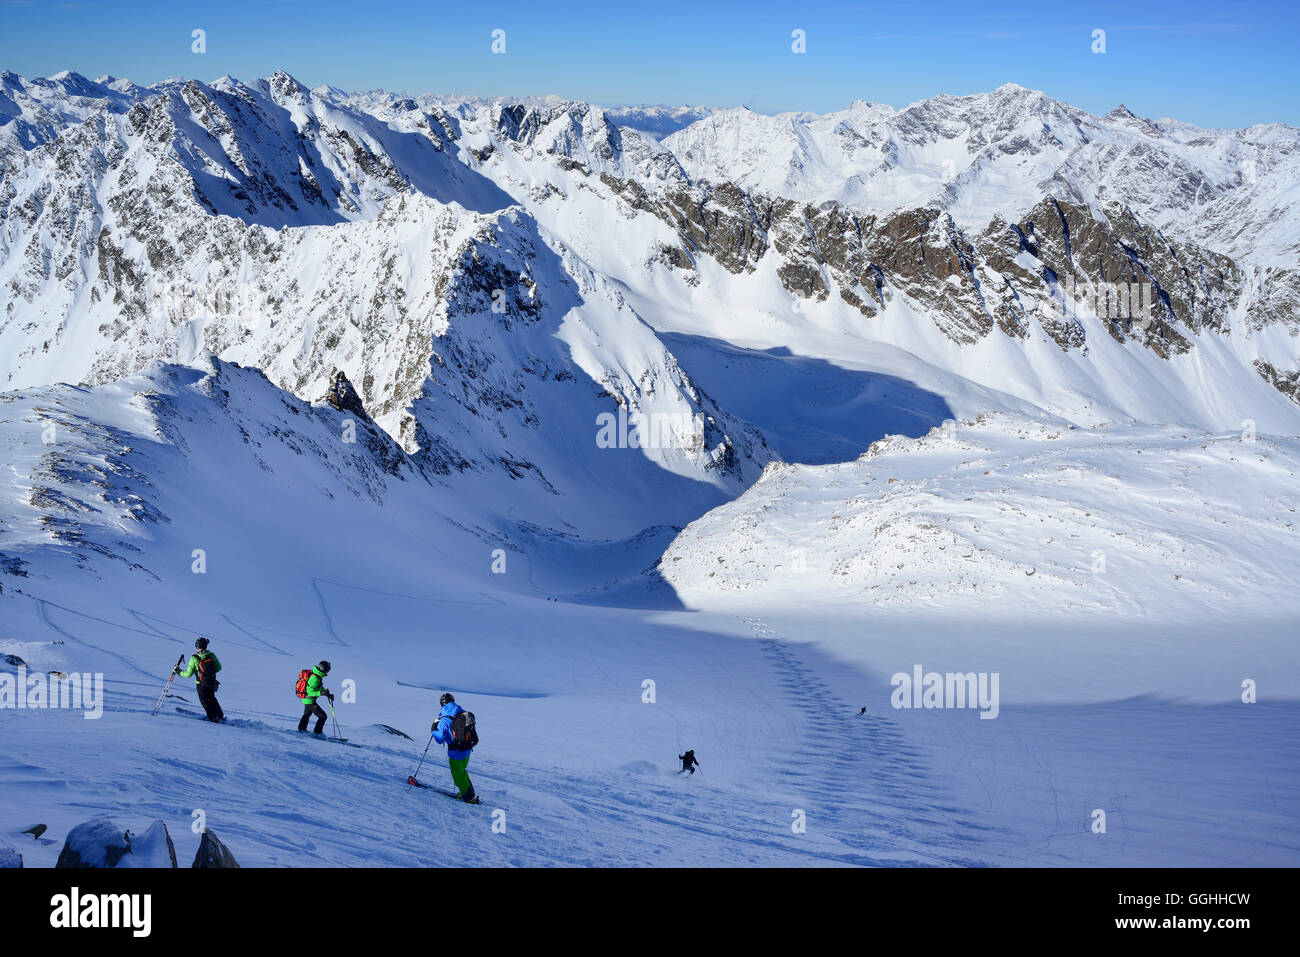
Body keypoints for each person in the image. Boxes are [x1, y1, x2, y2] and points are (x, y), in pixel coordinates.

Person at [431, 693, 479, 804]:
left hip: (455, 751)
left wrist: (433, 728)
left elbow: (439, 739)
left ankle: (469, 797)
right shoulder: (462, 712)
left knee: (458, 774)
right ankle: (467, 792)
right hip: (467, 748)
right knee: (462, 772)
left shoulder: (444, 719)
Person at [176, 637, 223, 722]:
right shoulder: (211, 655)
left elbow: (188, 674)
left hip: (200, 684)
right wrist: (210, 673)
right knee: (212, 698)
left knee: (205, 701)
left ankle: (212, 718)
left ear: (197, 646)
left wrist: (178, 671)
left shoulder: (194, 658)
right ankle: (220, 716)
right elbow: (219, 668)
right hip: (211, 682)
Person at [297, 661, 334, 734]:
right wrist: (321, 693)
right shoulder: (315, 678)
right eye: (327, 670)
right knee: (323, 716)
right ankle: (317, 733)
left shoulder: (317, 676)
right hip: (309, 700)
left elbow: (319, 687)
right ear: (323, 669)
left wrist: (327, 694)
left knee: (307, 715)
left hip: (308, 700)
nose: (328, 671)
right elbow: (310, 692)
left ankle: (301, 730)